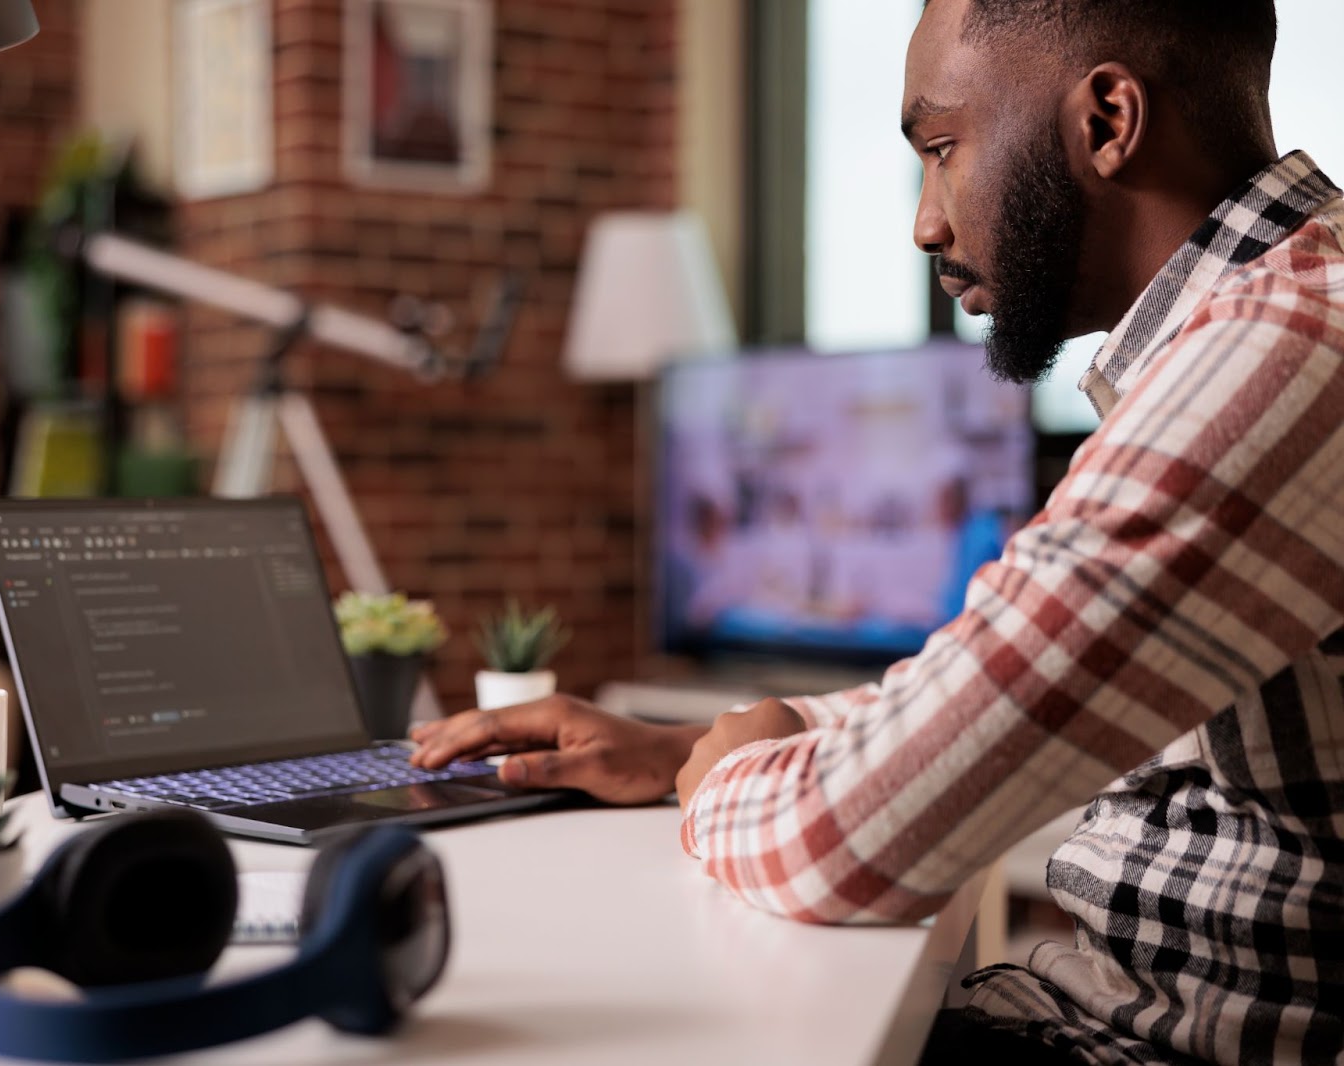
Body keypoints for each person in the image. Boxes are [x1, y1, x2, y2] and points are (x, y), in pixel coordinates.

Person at [414, 0, 1344, 1061]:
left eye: (943, 149)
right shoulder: (1267, 322)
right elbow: (1004, 685)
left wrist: (720, 782)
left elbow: (849, 848)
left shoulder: (1287, 348)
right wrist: (692, 746)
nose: (925, 223)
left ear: (1106, 120)